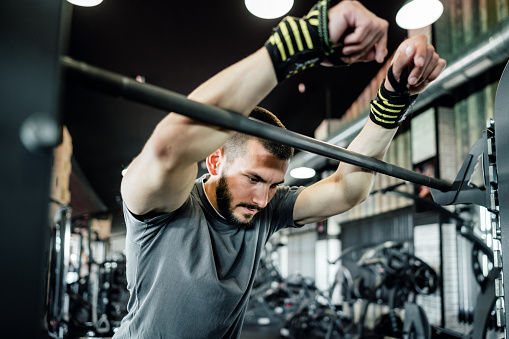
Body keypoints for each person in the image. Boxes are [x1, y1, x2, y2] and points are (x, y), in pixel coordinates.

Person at [115, 0, 446, 337]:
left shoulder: (267, 209)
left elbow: (348, 190)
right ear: (215, 160)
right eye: (253, 178)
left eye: (274, 185)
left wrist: (393, 97)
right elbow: (169, 150)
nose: (262, 199)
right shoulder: (169, 204)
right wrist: (300, 43)